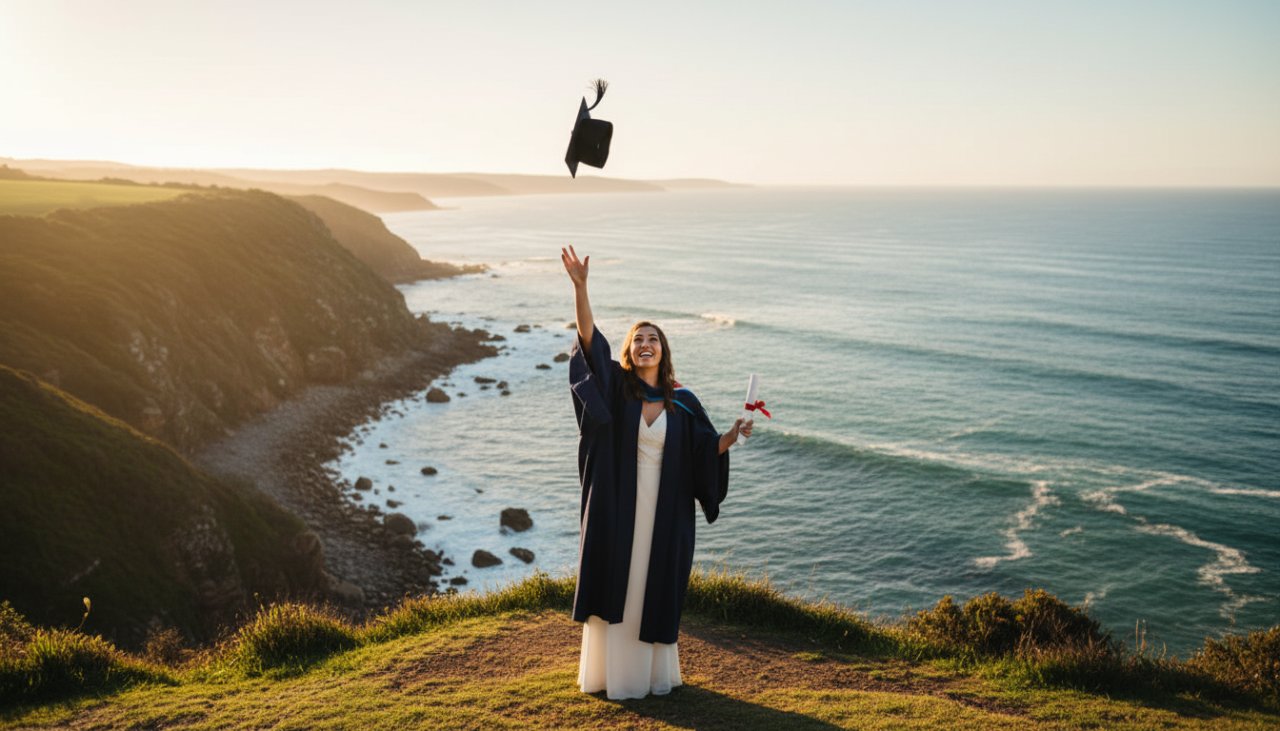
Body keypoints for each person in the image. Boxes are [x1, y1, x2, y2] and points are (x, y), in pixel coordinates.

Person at [562, 245, 752, 699]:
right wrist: (582, 288)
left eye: (654, 339)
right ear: (630, 350)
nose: (645, 344)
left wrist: (730, 436)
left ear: (663, 350)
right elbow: (589, 344)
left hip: (663, 511)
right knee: (619, 580)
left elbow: (704, 451)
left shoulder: (682, 401)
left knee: (652, 580)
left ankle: (649, 676)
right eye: (638, 339)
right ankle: (612, 675)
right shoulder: (616, 387)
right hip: (617, 506)